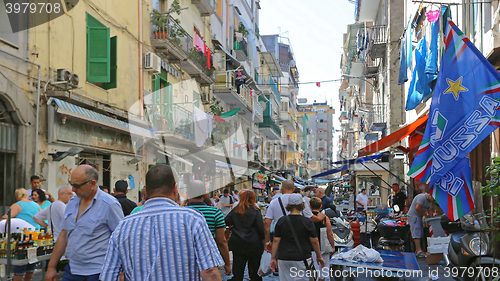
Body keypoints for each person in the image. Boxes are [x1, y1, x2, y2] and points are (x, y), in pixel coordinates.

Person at [100, 164, 223, 280]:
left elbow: (110, 276)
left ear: (146, 191)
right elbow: (210, 271)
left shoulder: (124, 226)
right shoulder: (192, 219)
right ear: (175, 189)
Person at [45, 165, 124, 281]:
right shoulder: (72, 202)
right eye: (71, 184)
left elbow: (122, 239)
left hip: (98, 272)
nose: (72, 189)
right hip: (72, 269)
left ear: (92, 184)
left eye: (76, 185)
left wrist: (122, 272)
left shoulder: (109, 204)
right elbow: (64, 235)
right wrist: (51, 267)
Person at [270, 194, 325, 281]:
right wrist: (319, 256)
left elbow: (276, 240)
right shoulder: (307, 222)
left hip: (284, 258)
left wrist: (273, 258)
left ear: (289, 205)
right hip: (302, 257)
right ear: (302, 205)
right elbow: (314, 241)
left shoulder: (281, 221)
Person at [264, 180, 325, 253]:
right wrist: (320, 217)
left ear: (282, 188)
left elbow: (267, 223)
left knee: (280, 261)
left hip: (279, 237)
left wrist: (267, 241)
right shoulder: (301, 201)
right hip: (299, 236)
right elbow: (312, 218)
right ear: (293, 189)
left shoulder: (274, 202)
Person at [186, 180, 231, 276]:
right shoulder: (215, 213)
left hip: (186, 259)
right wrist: (227, 263)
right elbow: (221, 241)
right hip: (209, 261)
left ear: (187, 194)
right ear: (205, 195)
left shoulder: (179, 213)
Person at [1, 189, 41, 281]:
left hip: (23, 237)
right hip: (36, 237)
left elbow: (6, 217)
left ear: (16, 196)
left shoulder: (17, 205)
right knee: (31, 261)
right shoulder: (36, 205)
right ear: (26, 195)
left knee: (20, 264)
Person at [225, 189, 264, 281]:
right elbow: (260, 229)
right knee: (254, 272)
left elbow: (226, 221)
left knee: (238, 271)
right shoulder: (256, 211)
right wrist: (264, 241)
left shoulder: (236, 210)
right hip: (254, 244)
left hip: (238, 243)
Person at [309, 197, 335, 281]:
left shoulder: (308, 218)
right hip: (323, 247)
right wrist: (333, 246)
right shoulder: (324, 218)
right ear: (321, 206)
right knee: (324, 269)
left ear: (310, 206)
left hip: (310, 247)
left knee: (315, 270)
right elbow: (330, 234)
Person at [407, 192, 434, 258]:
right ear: (430, 196)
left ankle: (419, 249)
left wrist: (431, 220)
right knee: (416, 232)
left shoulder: (429, 202)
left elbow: (430, 211)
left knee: (420, 232)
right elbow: (417, 207)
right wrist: (425, 214)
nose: (434, 200)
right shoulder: (422, 197)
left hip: (419, 216)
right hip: (413, 216)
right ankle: (418, 250)